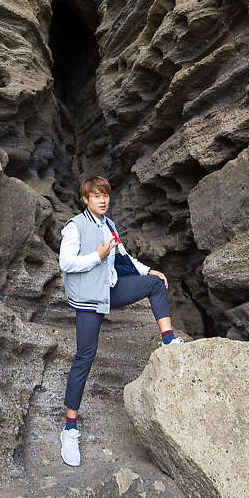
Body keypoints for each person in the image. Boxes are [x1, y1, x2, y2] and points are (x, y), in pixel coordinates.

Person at [58, 175, 184, 466]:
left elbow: (124, 259)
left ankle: (168, 341)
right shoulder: (75, 226)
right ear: (85, 200)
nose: (102, 200)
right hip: (90, 299)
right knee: (84, 358)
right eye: (96, 196)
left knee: (155, 285)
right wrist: (96, 256)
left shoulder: (109, 225)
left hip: (111, 290)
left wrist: (149, 270)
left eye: (106, 195)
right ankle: (70, 429)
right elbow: (66, 263)